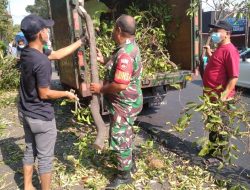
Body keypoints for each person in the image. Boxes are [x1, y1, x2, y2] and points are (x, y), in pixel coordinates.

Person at [19, 14, 83, 190]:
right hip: (41, 116)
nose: (48, 30)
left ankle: (27, 186)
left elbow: (56, 54)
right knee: (45, 158)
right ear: (40, 34)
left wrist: (79, 43)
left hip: (26, 112)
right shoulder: (42, 62)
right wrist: (65, 94)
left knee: (30, 150)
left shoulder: (27, 52)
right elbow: (45, 93)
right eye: (46, 29)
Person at [90, 14, 143, 189]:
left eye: (114, 28)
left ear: (119, 30)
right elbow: (119, 66)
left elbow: (120, 84)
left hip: (125, 104)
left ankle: (124, 175)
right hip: (129, 102)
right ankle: (130, 163)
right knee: (126, 134)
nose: (113, 31)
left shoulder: (125, 54)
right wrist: (104, 60)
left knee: (120, 137)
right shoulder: (129, 47)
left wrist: (100, 89)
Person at [202, 20, 240, 164]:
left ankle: (219, 157)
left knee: (222, 129)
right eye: (214, 31)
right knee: (213, 126)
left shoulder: (230, 50)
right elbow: (218, 65)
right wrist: (209, 53)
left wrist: (223, 96)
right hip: (212, 97)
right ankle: (211, 151)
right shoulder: (219, 48)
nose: (214, 34)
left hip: (222, 100)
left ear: (227, 34)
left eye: (218, 31)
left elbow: (233, 77)